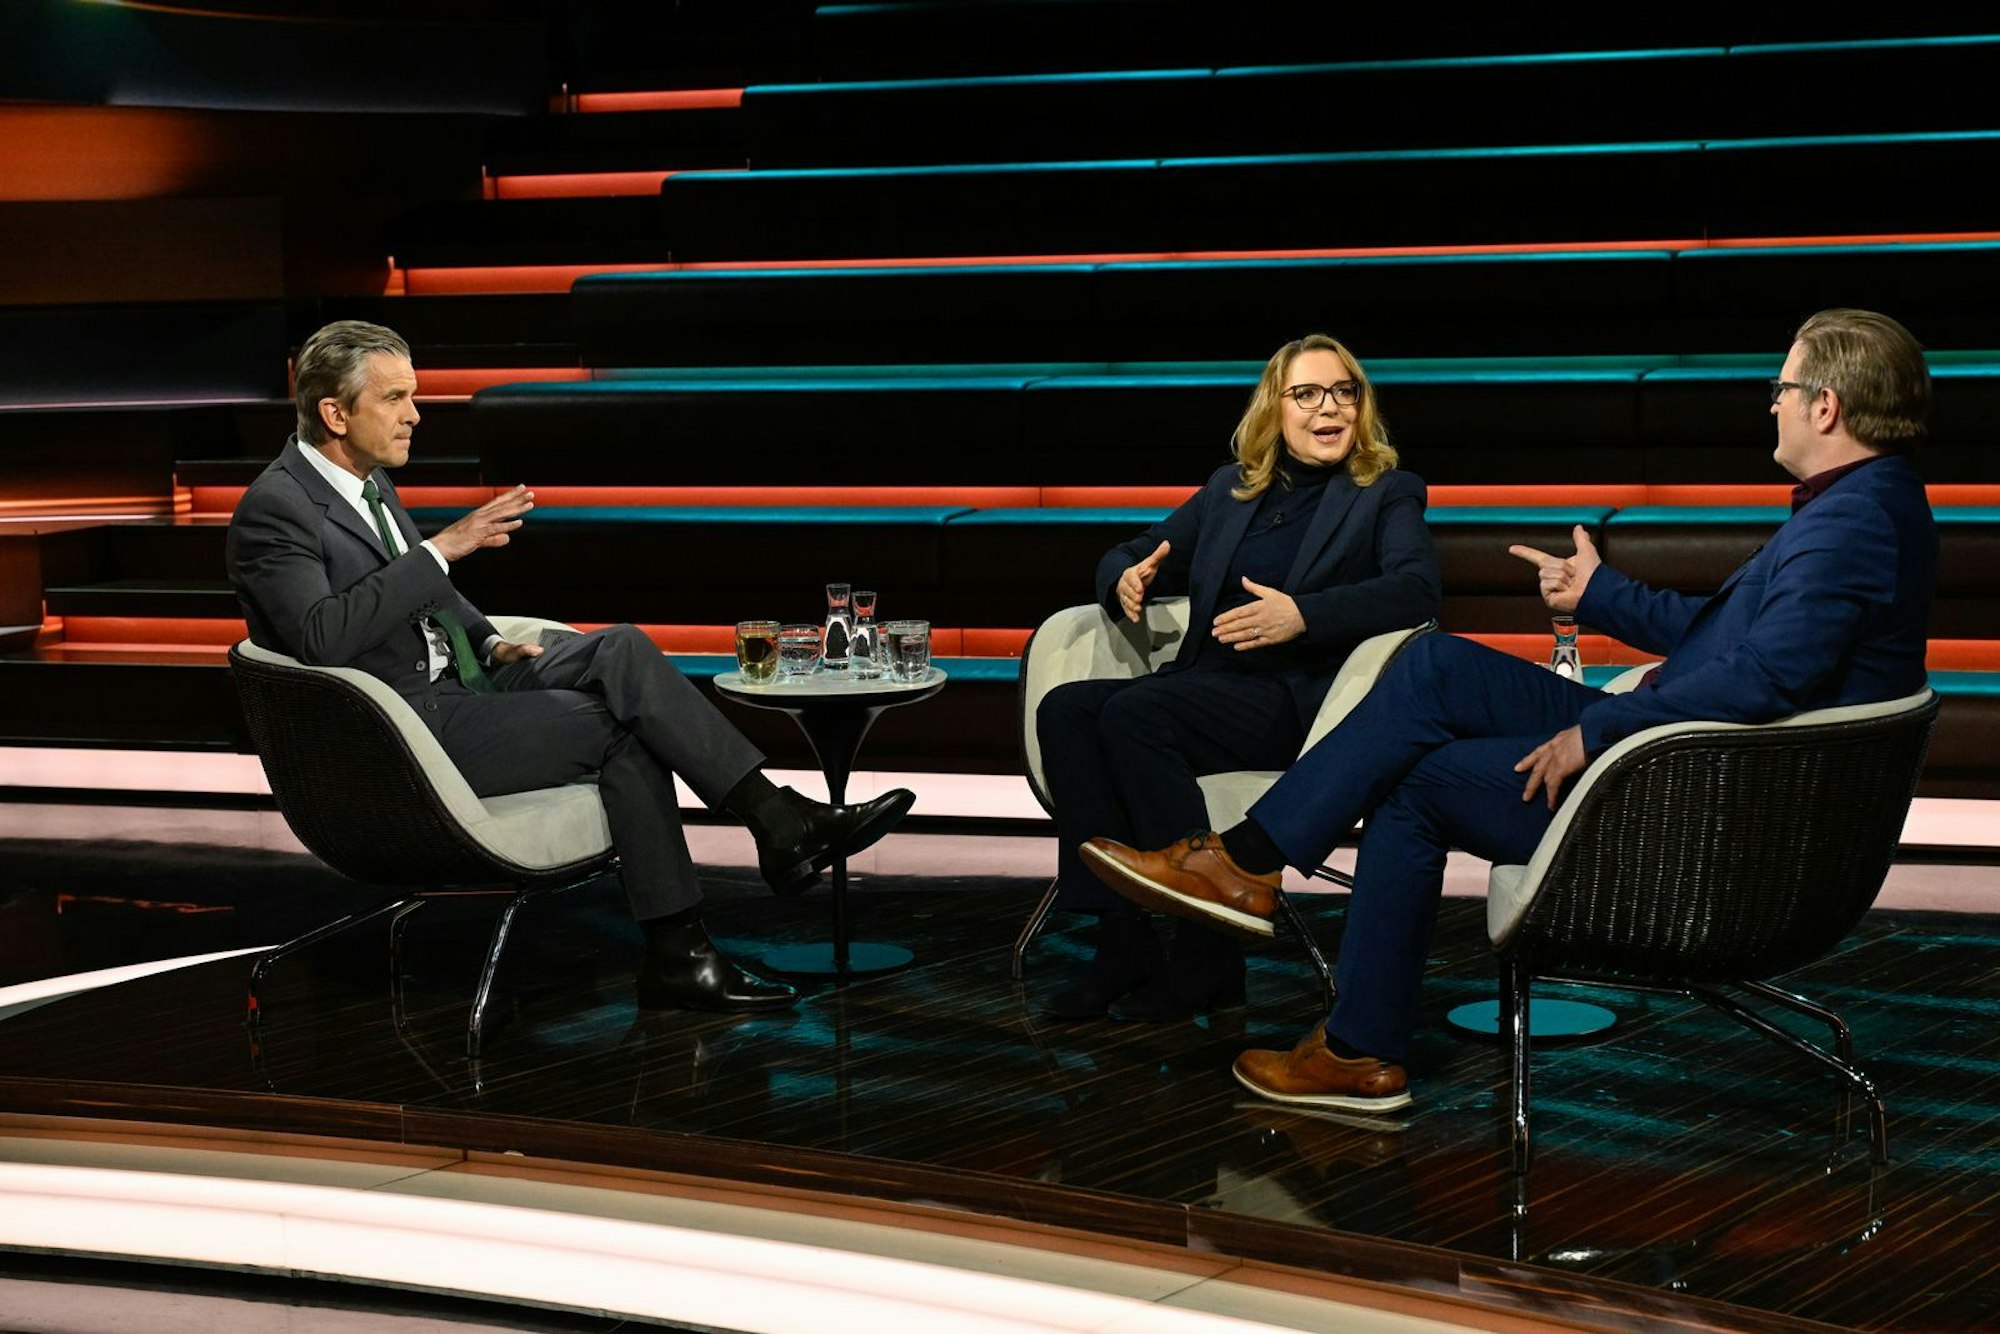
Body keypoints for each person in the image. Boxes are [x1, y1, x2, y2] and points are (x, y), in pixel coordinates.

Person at [1082, 308, 1938, 1107]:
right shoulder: (1865, 505)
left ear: (1825, 406)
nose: (1773, 405)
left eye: (1782, 388)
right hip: (1675, 746)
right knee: (1434, 665)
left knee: (1417, 783)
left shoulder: (1853, 524)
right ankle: (1256, 878)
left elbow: (1760, 680)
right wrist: (1599, 595)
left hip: (1685, 789)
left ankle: (1329, 1001)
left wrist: (1594, 729)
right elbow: (1722, 641)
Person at [227, 321, 914, 1014]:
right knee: (619, 732)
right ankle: (694, 939)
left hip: (462, 684)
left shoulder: (367, 483)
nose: (415, 415)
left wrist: (488, 643)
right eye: (395, 397)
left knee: (622, 647)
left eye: (413, 395)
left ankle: (774, 820)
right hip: (402, 727)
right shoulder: (276, 509)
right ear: (335, 413)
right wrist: (440, 550)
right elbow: (320, 637)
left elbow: (431, 596)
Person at [1035, 333, 1440, 1021]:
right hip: (1203, 683)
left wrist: (1302, 616)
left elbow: (1417, 590)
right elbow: (1137, 550)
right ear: (1274, 409)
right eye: (1306, 394)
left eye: (1343, 391)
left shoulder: (1386, 492)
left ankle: (1207, 955)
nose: (1328, 408)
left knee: (1136, 714)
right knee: (1066, 709)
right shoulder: (1231, 489)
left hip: (1292, 699)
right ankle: (1122, 940)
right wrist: (1125, 577)